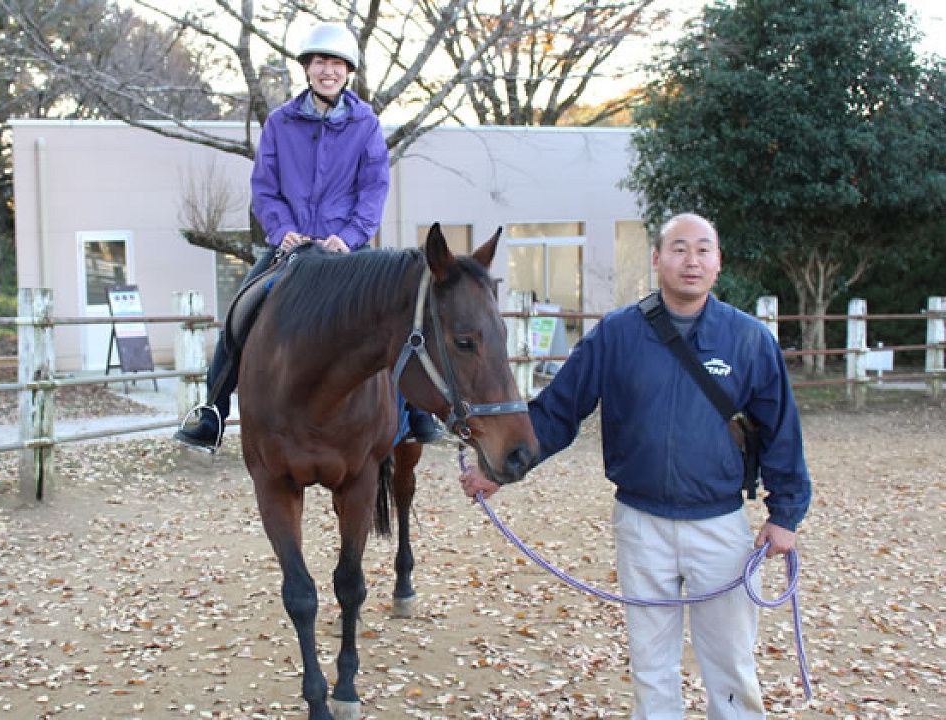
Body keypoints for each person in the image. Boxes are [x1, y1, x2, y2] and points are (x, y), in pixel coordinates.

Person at [460, 213, 812, 719]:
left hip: (719, 525)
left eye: (703, 249)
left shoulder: (749, 340)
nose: (691, 260)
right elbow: (559, 411)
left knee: (731, 662)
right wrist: (500, 470)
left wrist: (786, 515)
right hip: (641, 523)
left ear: (718, 262)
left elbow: (781, 430)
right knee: (651, 663)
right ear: (656, 259)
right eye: (678, 248)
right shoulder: (617, 334)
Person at [174, 22, 443, 452]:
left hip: (347, 249)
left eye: (336, 63)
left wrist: (348, 236)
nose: (328, 71)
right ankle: (213, 413)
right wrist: (283, 232)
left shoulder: (366, 124)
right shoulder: (280, 123)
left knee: (398, 317)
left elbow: (374, 190)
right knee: (240, 313)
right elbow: (265, 188)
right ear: (307, 68)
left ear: (348, 71)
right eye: (320, 62)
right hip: (291, 249)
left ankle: (414, 415)